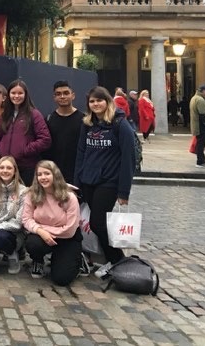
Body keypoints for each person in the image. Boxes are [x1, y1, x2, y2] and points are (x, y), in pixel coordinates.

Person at [74, 86, 136, 275]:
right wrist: (77, 182)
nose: (96, 104)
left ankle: (118, 259)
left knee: (97, 223)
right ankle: (107, 258)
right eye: (92, 101)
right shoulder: (88, 124)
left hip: (108, 182)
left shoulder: (120, 124)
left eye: (99, 100)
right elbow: (81, 153)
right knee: (99, 224)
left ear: (107, 101)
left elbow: (128, 159)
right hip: (88, 180)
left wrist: (124, 192)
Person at [23, 161, 82, 286]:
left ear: (55, 175)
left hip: (67, 238)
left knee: (61, 279)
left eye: (47, 173)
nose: (43, 177)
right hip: (43, 236)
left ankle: (77, 260)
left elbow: (70, 229)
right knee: (32, 243)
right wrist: (40, 232)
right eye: (39, 174)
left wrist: (44, 230)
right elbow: (26, 219)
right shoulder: (32, 194)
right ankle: (38, 260)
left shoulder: (69, 197)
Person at [0, 79, 51, 186]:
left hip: (26, 168)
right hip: (7, 168)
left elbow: (45, 140)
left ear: (25, 95)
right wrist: (1, 149)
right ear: (8, 95)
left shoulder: (34, 114)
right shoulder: (6, 115)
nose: (16, 96)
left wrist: (25, 150)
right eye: (13, 93)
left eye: (20, 93)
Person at [44, 81, 84, 183]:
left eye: (66, 93)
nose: (62, 96)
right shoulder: (48, 119)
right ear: (54, 97)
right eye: (58, 94)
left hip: (77, 173)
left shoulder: (84, 120)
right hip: (54, 174)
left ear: (73, 95)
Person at [190, 85, 205, 168]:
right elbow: (203, 115)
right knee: (201, 144)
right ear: (203, 91)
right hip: (201, 126)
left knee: (200, 143)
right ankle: (200, 161)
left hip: (198, 125)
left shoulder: (194, 98)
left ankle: (201, 160)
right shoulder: (200, 100)